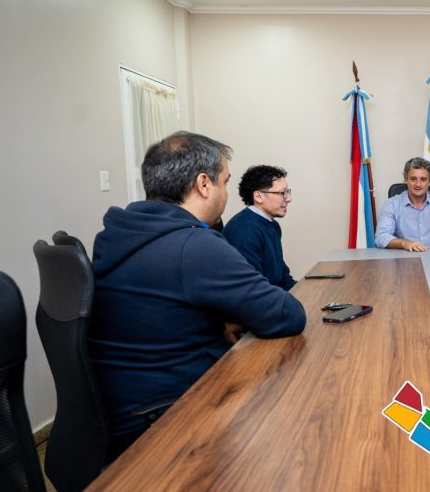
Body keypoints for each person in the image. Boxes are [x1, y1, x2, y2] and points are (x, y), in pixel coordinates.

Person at [89, 131, 306, 458]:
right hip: (169, 417)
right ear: (204, 184)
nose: (226, 194)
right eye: (224, 182)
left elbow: (163, 304)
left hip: (123, 402)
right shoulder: (195, 246)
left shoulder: (120, 233)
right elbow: (288, 316)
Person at [224, 165, 297, 290]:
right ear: (258, 196)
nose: (288, 198)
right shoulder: (244, 231)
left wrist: (304, 292)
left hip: (271, 296)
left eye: (288, 192)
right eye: (282, 193)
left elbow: (283, 277)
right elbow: (253, 289)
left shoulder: (272, 225)